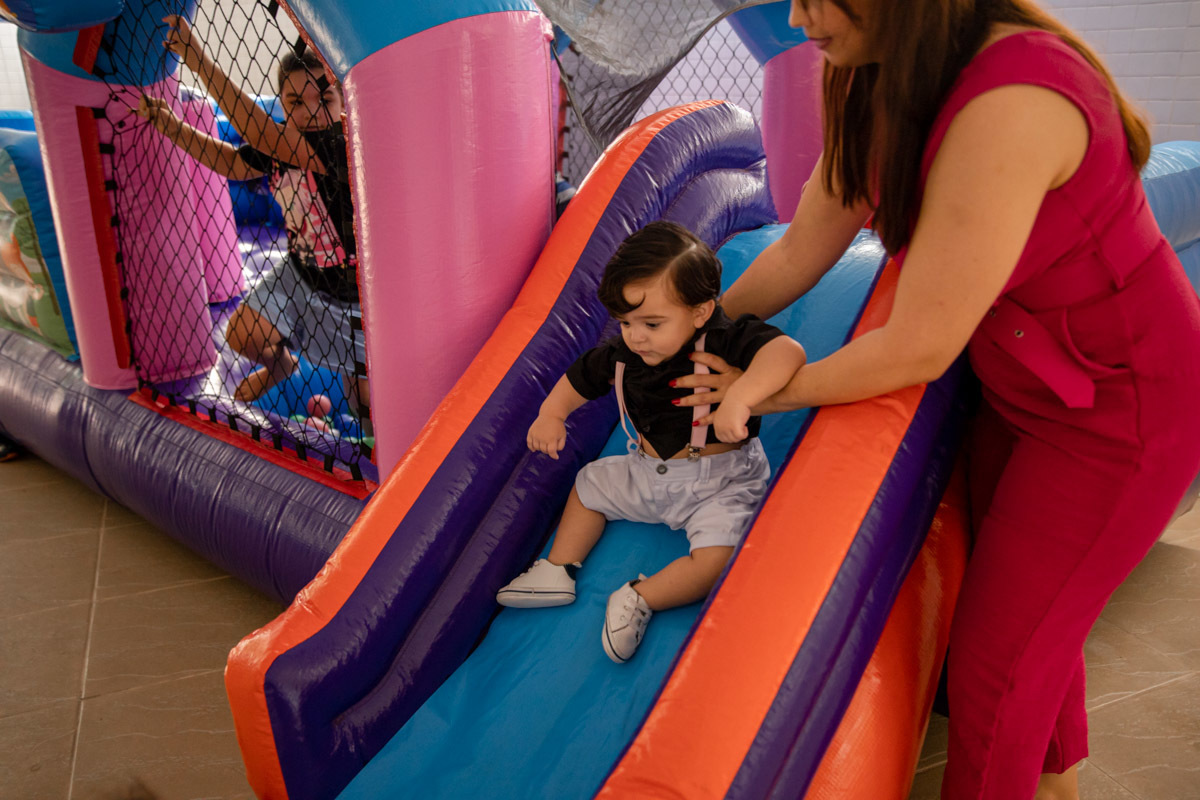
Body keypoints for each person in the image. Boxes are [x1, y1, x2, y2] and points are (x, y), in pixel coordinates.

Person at [672, 1, 1200, 798]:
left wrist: (774, 389)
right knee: (1020, 639)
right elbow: (800, 247)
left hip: (1124, 413)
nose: (793, 15)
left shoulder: (1014, 98)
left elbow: (920, 344)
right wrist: (696, 336)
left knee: (998, 665)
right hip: (1023, 390)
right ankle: (1056, 784)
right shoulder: (870, 73)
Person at [496, 221, 806, 663]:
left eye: (652, 322)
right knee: (588, 485)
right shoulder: (627, 354)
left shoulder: (722, 339)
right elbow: (580, 378)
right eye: (625, 322)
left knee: (719, 561)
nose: (636, 335)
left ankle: (641, 596)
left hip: (720, 482)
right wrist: (552, 414)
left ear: (699, 311)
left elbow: (787, 352)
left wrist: (741, 395)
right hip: (647, 471)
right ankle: (558, 569)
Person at [135, 15, 368, 428]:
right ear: (281, 104)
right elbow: (230, 162)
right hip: (300, 271)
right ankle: (281, 365)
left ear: (341, 102)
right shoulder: (278, 140)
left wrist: (198, 61)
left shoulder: (340, 144)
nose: (311, 112)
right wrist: (169, 125)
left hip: (351, 292)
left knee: (366, 406)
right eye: (295, 102)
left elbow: (263, 137)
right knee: (241, 334)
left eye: (324, 98)